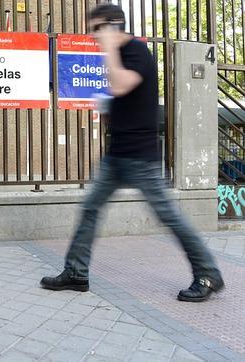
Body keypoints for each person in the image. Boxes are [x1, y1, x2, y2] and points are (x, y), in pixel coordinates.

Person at [40, 4, 224, 302]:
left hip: (140, 156)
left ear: (113, 26)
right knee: (90, 209)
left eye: (97, 28)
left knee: (169, 216)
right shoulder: (123, 55)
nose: (93, 36)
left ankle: (208, 273)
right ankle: (76, 272)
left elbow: (121, 83)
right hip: (118, 155)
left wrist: (110, 52)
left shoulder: (137, 53)